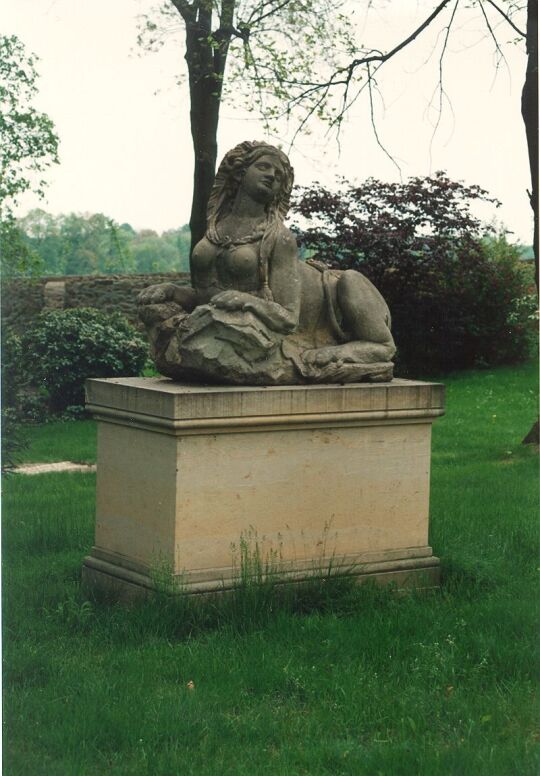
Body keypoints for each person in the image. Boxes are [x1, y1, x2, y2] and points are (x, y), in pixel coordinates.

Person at [138, 141, 395, 384]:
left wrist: (247, 301)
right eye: (263, 167)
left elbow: (287, 317)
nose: (272, 175)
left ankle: (375, 346)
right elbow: (209, 299)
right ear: (240, 173)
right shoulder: (215, 228)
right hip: (232, 323)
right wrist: (173, 292)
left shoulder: (279, 238)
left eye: (279, 175)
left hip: (324, 310)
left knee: (350, 280)